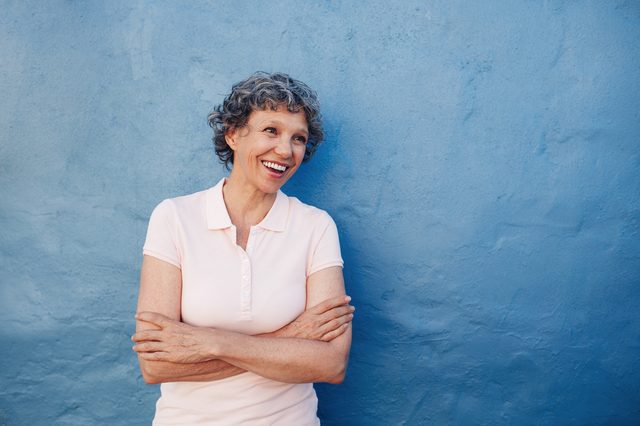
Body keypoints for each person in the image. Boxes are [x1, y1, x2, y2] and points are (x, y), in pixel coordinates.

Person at [132, 72, 353, 425]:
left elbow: (331, 363)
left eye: (298, 138)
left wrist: (211, 343)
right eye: (271, 131)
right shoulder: (174, 217)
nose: (285, 150)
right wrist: (289, 338)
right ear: (233, 134)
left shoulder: (315, 226)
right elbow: (155, 365)